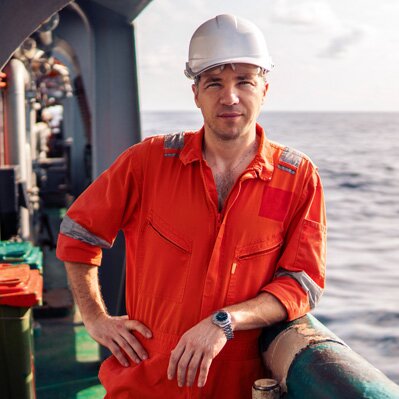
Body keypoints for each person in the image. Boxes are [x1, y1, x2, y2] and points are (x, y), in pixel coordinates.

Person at [56, 14, 326, 399]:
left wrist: (225, 322)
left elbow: (302, 283)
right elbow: (78, 233)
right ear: (196, 92)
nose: (229, 97)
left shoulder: (296, 178)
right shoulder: (147, 162)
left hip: (235, 387)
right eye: (214, 82)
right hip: (145, 384)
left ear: (264, 89)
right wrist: (94, 318)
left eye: (244, 82)